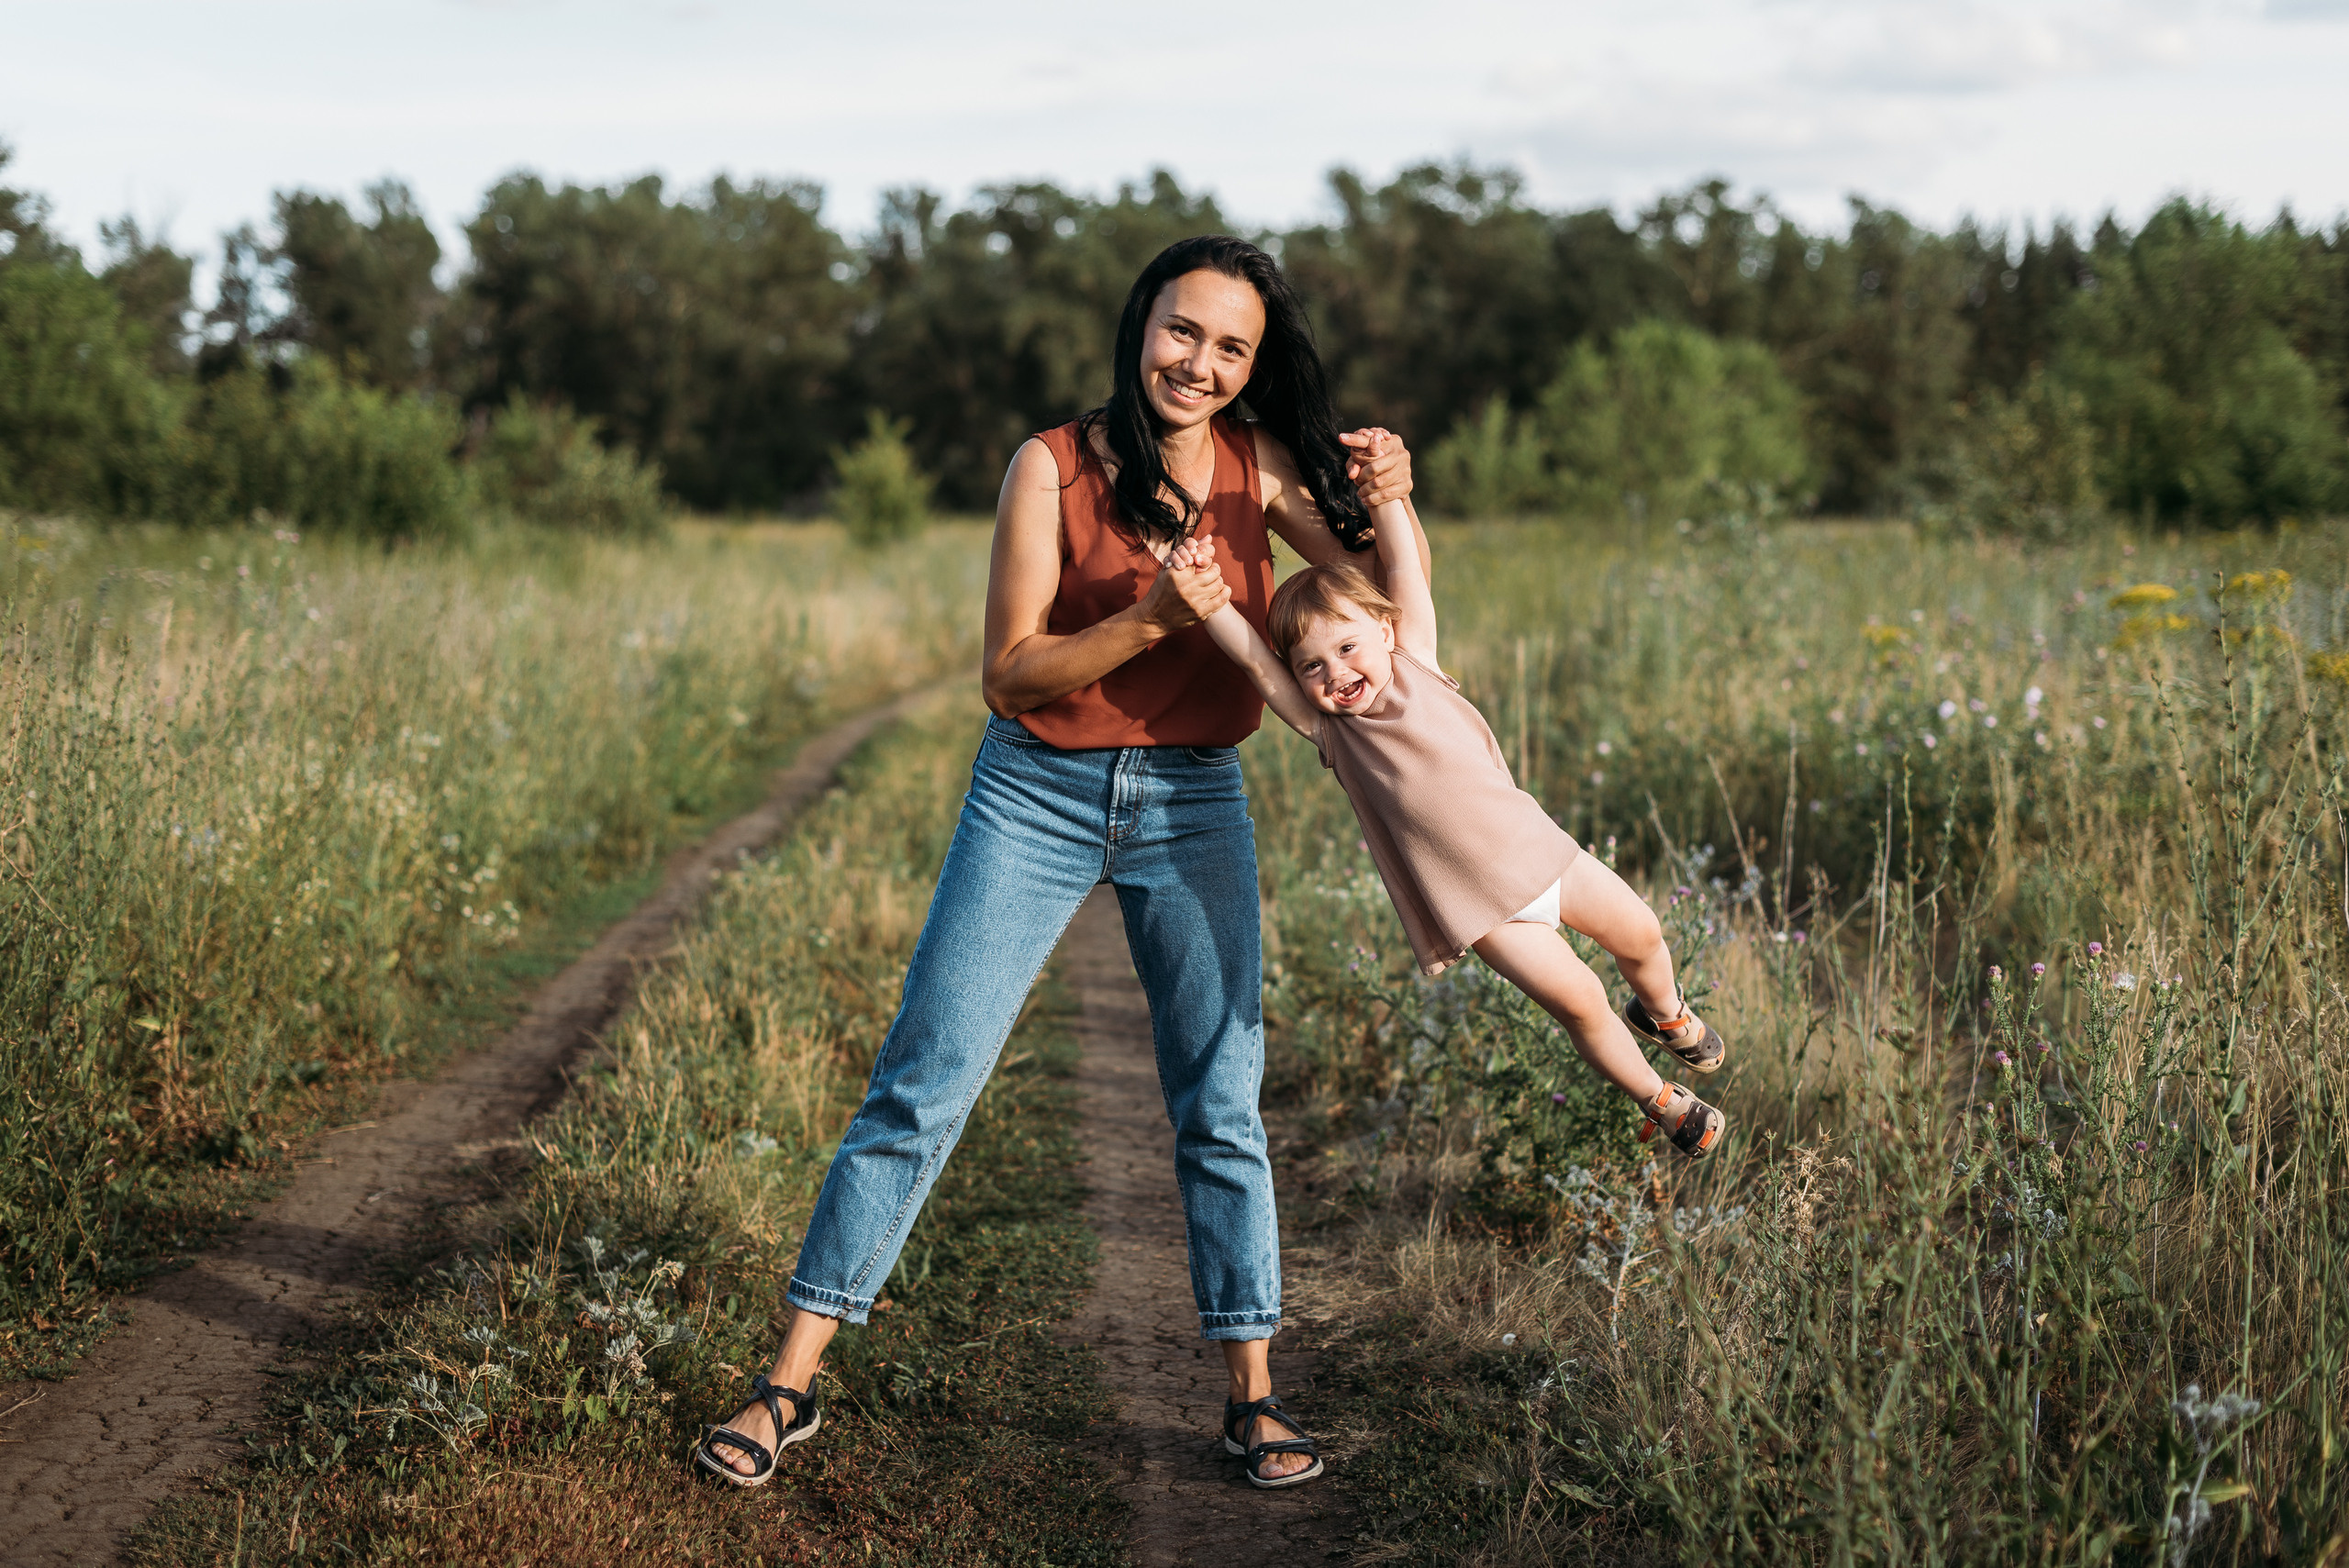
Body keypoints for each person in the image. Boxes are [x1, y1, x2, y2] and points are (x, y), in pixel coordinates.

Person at [697, 236, 1425, 1492]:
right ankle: (786, 1384)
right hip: (1034, 791)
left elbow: (1384, 600)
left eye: (1231, 347)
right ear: (1142, 323)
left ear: (1253, 367)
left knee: (1220, 1097)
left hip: (1195, 796)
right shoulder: (1049, 465)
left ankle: (1253, 1399)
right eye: (1182, 330)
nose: (1198, 363)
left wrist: (1396, 499)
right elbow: (1009, 672)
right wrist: (1151, 618)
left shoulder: (1258, 465)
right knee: (924, 1079)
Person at [1164, 435, 1731, 1160]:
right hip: (1481, 909)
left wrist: (1385, 496)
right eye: (1311, 666)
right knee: (1582, 1002)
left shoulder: (1417, 663)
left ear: (1385, 628)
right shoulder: (1331, 732)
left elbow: (1402, 564)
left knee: (1643, 932)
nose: (1334, 673)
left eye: (1347, 647)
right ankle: (1662, 1100)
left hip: (1543, 855)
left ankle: (1667, 1013)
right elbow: (1253, 659)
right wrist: (1207, 595)